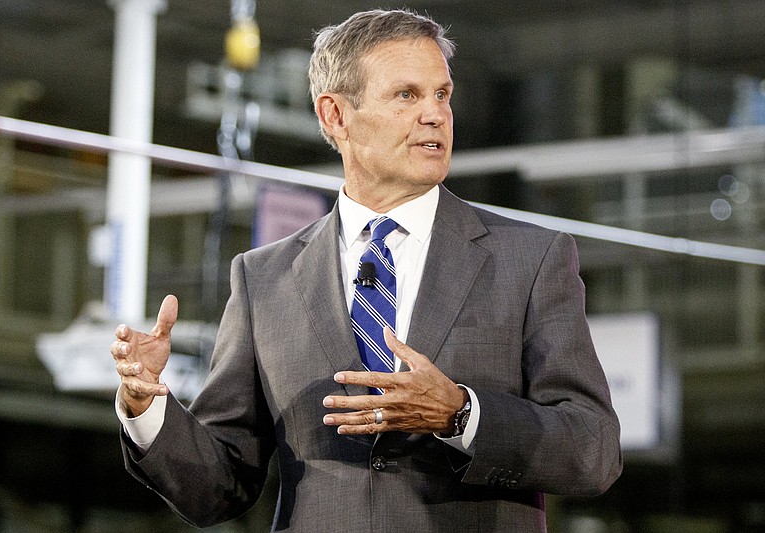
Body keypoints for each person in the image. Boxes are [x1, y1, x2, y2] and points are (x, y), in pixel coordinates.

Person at [111, 8, 622, 532]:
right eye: (406, 95)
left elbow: (593, 449)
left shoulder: (530, 260)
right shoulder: (263, 280)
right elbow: (219, 488)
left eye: (442, 95)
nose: (435, 115)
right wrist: (148, 406)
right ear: (335, 115)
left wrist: (461, 414)